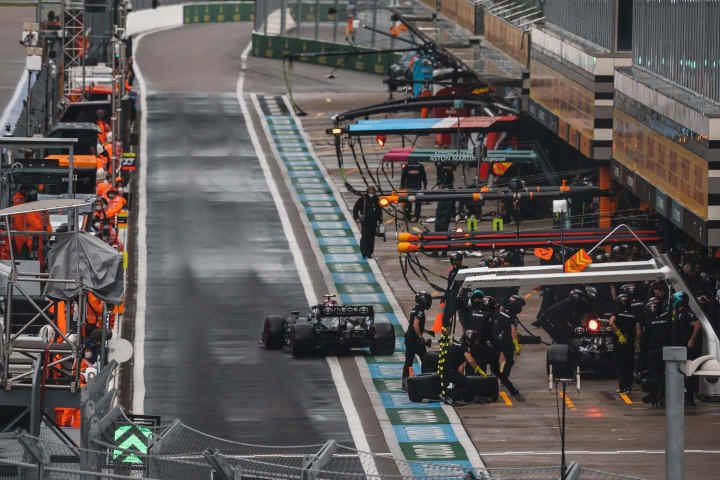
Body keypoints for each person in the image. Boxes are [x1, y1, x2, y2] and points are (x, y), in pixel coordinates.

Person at [472, 295, 520, 395]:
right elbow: (488, 334)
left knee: (479, 371)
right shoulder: (488, 317)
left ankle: (478, 392)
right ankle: (511, 389)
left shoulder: (474, 313)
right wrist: (496, 346)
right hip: (484, 348)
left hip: (474, 347)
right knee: (496, 371)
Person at [670, 291, 702, 406]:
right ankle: (683, 396)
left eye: (674, 300)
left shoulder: (687, 313)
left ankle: (689, 399)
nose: (673, 302)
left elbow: (697, 324)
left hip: (686, 348)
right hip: (678, 347)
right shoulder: (678, 313)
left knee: (687, 373)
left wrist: (691, 340)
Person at [438, 330, 487, 405]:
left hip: (444, 369)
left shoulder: (455, 343)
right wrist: (480, 370)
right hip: (449, 372)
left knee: (462, 381)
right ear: (468, 340)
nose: (475, 342)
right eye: (474, 340)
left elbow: (460, 364)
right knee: (469, 383)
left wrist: (460, 377)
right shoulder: (464, 348)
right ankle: (450, 397)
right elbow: (470, 360)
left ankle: (464, 397)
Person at [642, 297, 671, 406]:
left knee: (655, 375)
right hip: (667, 351)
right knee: (667, 374)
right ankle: (663, 395)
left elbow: (645, 339)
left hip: (654, 352)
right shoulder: (668, 320)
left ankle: (654, 395)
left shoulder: (648, 322)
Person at [609, 294, 641, 394]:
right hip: (630, 343)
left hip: (620, 343)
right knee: (629, 365)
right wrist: (636, 342)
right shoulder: (634, 314)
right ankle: (628, 387)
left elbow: (611, 323)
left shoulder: (617, 313)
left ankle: (623, 387)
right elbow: (639, 332)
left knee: (621, 365)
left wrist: (619, 334)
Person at [402, 291, 432, 391]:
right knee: (425, 359)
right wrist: (421, 338)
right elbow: (415, 325)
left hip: (409, 338)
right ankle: (426, 381)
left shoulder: (414, 309)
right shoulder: (420, 311)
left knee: (408, 361)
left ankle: (404, 384)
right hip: (415, 340)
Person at [494, 295, 525, 380]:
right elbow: (513, 332)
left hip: (495, 338)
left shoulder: (501, 311)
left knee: (496, 358)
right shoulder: (513, 318)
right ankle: (504, 378)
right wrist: (517, 347)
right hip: (505, 340)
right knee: (510, 361)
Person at [352, 186, 382, 258]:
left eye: (373, 192)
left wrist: (380, 221)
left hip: (374, 221)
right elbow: (356, 208)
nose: (371, 193)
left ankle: (369, 253)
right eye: (370, 192)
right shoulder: (363, 199)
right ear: (367, 192)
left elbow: (380, 211)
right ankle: (364, 251)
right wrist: (356, 218)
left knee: (371, 237)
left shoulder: (377, 199)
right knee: (365, 236)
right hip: (365, 221)